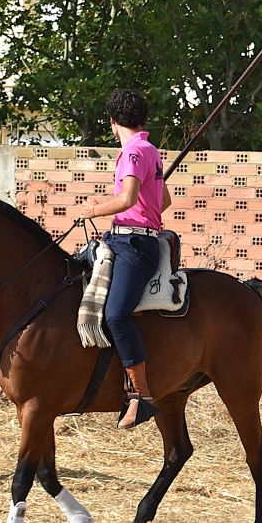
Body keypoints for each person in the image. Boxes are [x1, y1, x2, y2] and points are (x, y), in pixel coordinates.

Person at [76, 88, 171, 430]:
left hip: (134, 245)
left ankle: (142, 397)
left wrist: (93, 210)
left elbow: (128, 198)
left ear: (113, 123)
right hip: (125, 239)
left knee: (116, 314)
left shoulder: (132, 152)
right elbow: (165, 202)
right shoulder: (150, 151)